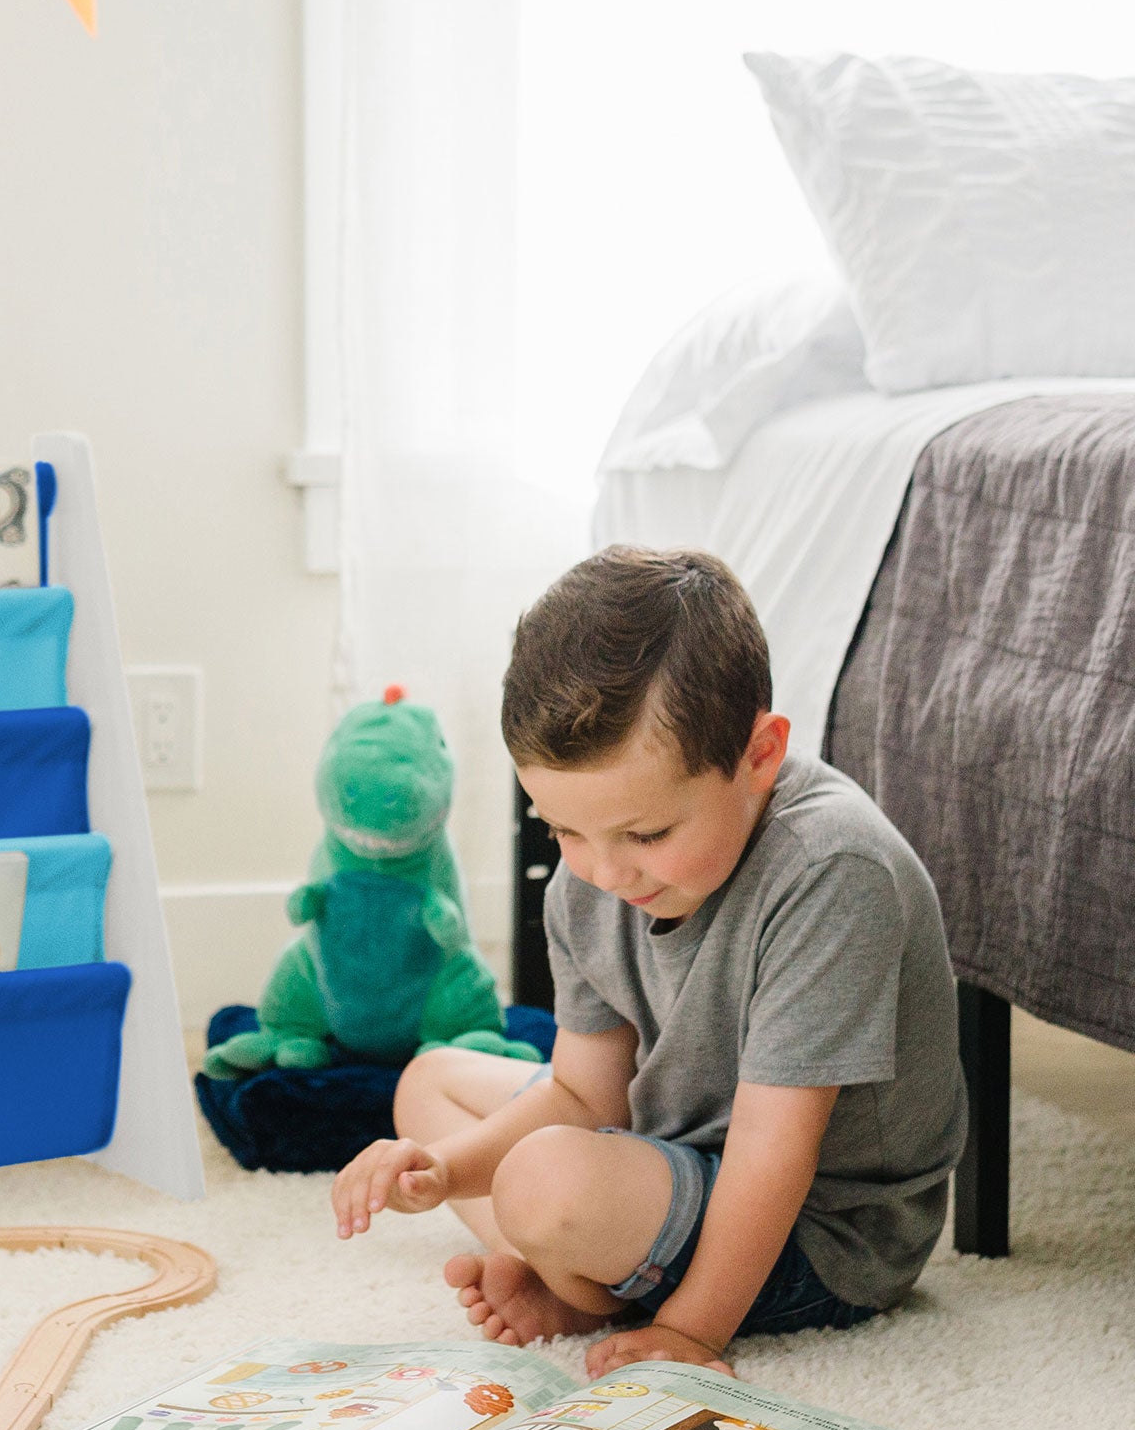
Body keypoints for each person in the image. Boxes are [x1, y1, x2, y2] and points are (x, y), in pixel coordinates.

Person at [330, 546, 966, 1377]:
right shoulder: (589, 878)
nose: (604, 871)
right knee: (429, 1085)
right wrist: (445, 1172)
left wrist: (692, 1333)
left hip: (819, 1229)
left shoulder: (830, 870)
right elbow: (582, 1095)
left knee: (540, 1181)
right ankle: (569, 1268)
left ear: (760, 755)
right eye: (563, 829)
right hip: (671, 1144)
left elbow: (773, 1150)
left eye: (647, 833)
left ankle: (588, 1272)